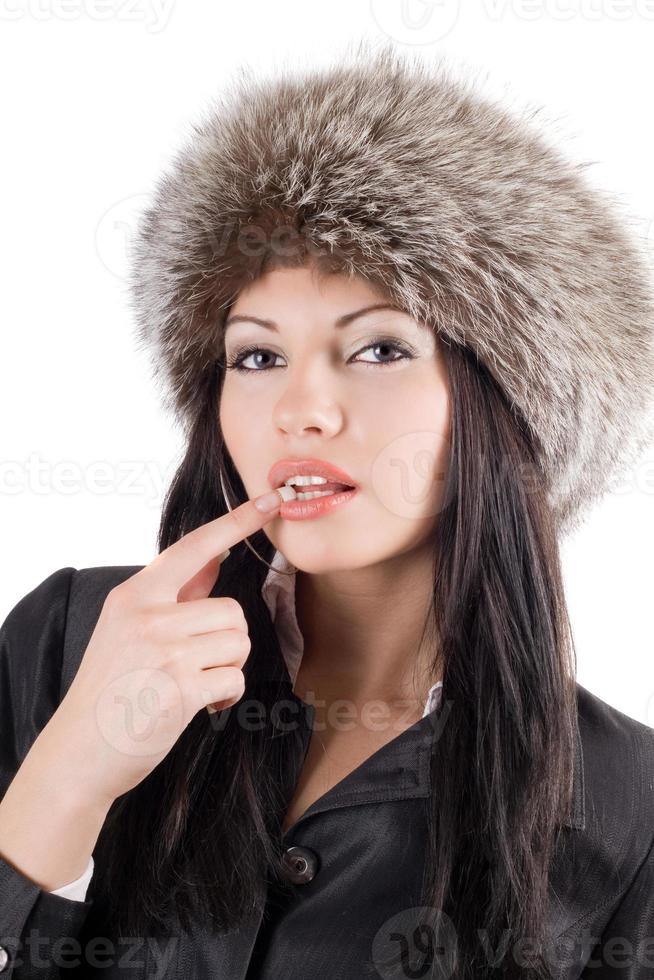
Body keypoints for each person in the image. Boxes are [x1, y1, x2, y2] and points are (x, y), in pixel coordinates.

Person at [1, 38, 654, 980]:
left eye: (379, 348)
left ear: (507, 405)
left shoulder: (626, 810)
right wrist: (67, 777)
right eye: (257, 356)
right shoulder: (71, 643)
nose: (301, 407)